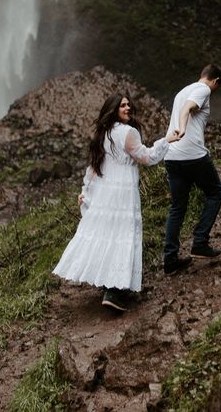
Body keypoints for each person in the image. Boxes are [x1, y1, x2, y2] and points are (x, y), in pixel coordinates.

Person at [53, 92, 180, 312]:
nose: (128, 108)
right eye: (122, 105)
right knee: (123, 234)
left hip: (105, 190)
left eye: (129, 105)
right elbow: (146, 157)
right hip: (122, 191)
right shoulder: (128, 132)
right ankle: (115, 290)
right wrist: (166, 141)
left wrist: (87, 190)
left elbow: (94, 167)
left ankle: (107, 283)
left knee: (106, 234)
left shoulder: (104, 133)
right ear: (113, 109)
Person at [163, 64, 221, 275]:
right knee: (216, 193)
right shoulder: (203, 89)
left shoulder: (183, 90)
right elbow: (186, 109)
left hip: (171, 155)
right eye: (217, 87)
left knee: (177, 207)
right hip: (192, 154)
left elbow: (185, 106)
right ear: (215, 81)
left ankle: (170, 260)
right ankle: (200, 242)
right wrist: (182, 128)